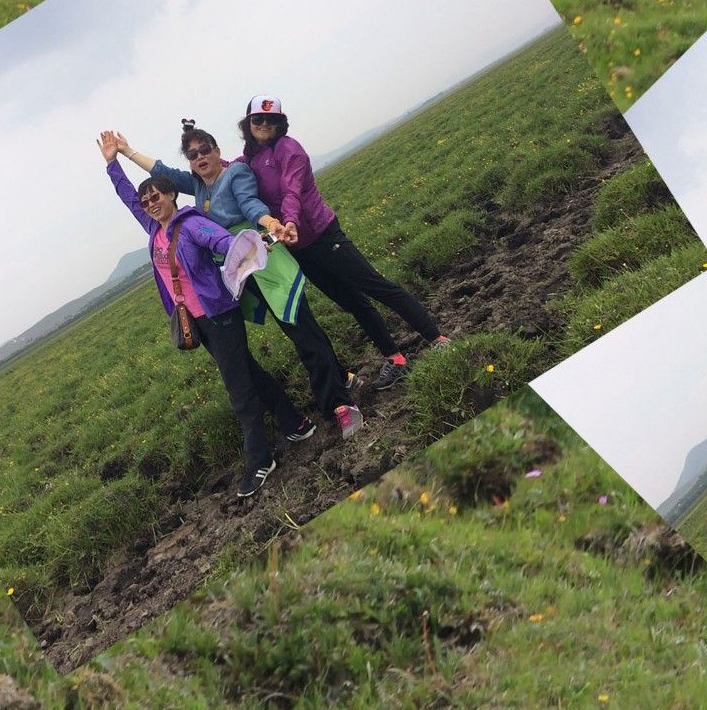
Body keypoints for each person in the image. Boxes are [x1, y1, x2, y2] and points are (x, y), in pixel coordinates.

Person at [110, 121, 361, 439]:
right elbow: (161, 172)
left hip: (262, 259)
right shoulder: (198, 186)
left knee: (301, 329)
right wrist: (125, 152)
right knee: (294, 328)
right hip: (238, 273)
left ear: (216, 151)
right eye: (192, 154)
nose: (199, 157)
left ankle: (338, 405)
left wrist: (271, 222)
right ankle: (341, 376)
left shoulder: (235, 174)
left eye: (204, 150)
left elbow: (250, 204)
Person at [96, 131, 314, 498]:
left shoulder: (191, 223)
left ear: (171, 196)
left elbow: (221, 241)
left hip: (219, 316)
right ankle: (296, 422)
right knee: (249, 372)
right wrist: (112, 163)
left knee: (239, 390)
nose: (149, 202)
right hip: (196, 319)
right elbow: (127, 197)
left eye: (156, 196)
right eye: (146, 199)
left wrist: (247, 245)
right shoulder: (154, 229)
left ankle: (260, 461)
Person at [236, 95, 448, 392]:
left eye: (271, 119)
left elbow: (292, 192)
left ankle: (438, 339)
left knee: (376, 286)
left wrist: (291, 221)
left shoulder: (289, 149)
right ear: (248, 123)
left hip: (322, 235)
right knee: (352, 302)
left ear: (280, 123)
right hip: (300, 249)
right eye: (258, 119)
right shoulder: (248, 160)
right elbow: (221, 172)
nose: (264, 124)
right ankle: (396, 359)